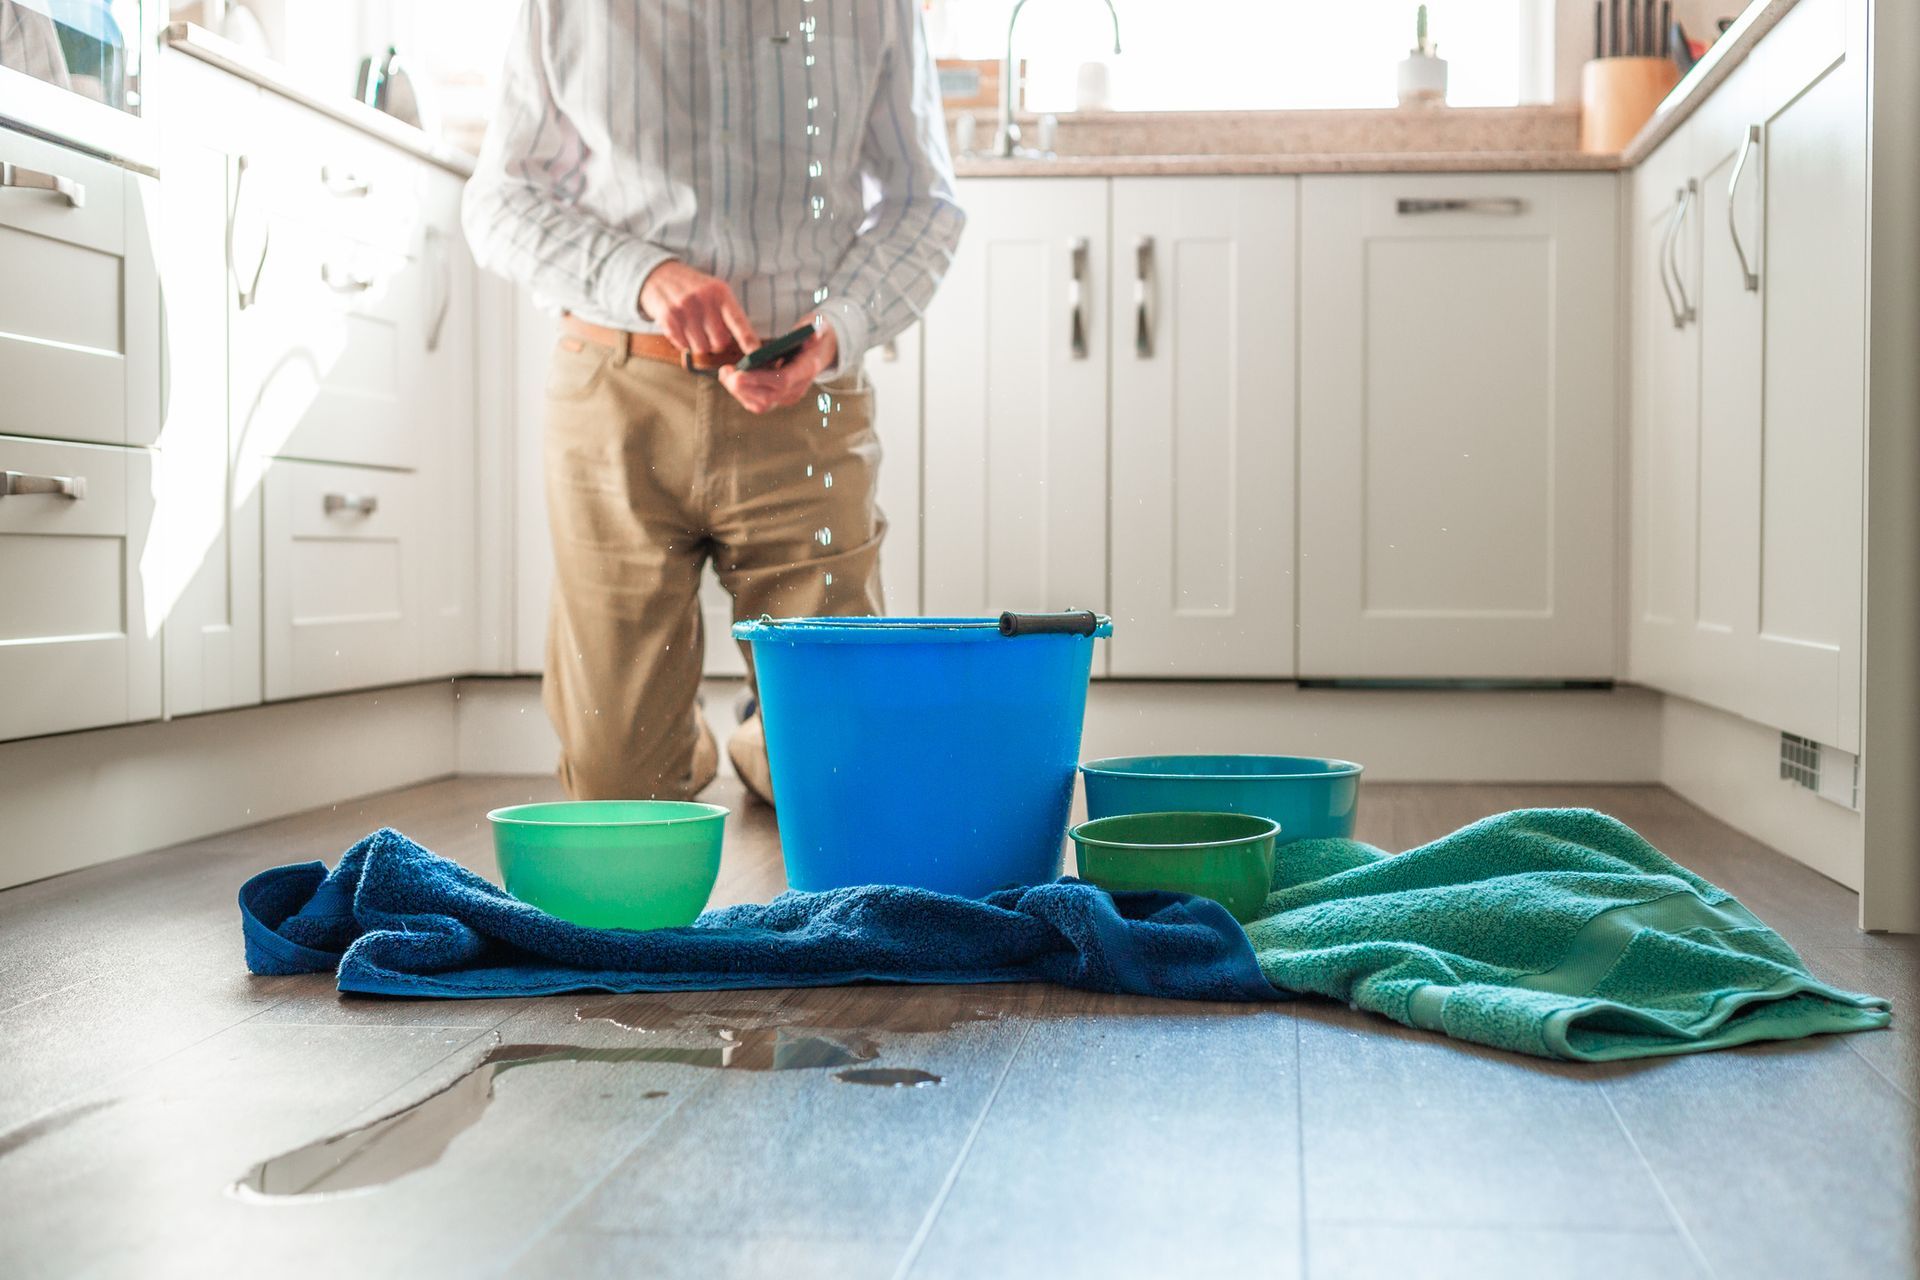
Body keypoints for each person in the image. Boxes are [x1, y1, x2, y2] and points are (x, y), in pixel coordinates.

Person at [463, 0, 963, 805]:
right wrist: (643, 274)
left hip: (807, 405)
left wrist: (839, 328)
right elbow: (499, 200)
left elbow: (925, 201)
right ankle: (669, 734)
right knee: (619, 790)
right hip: (617, 395)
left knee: (840, 781)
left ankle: (771, 735)